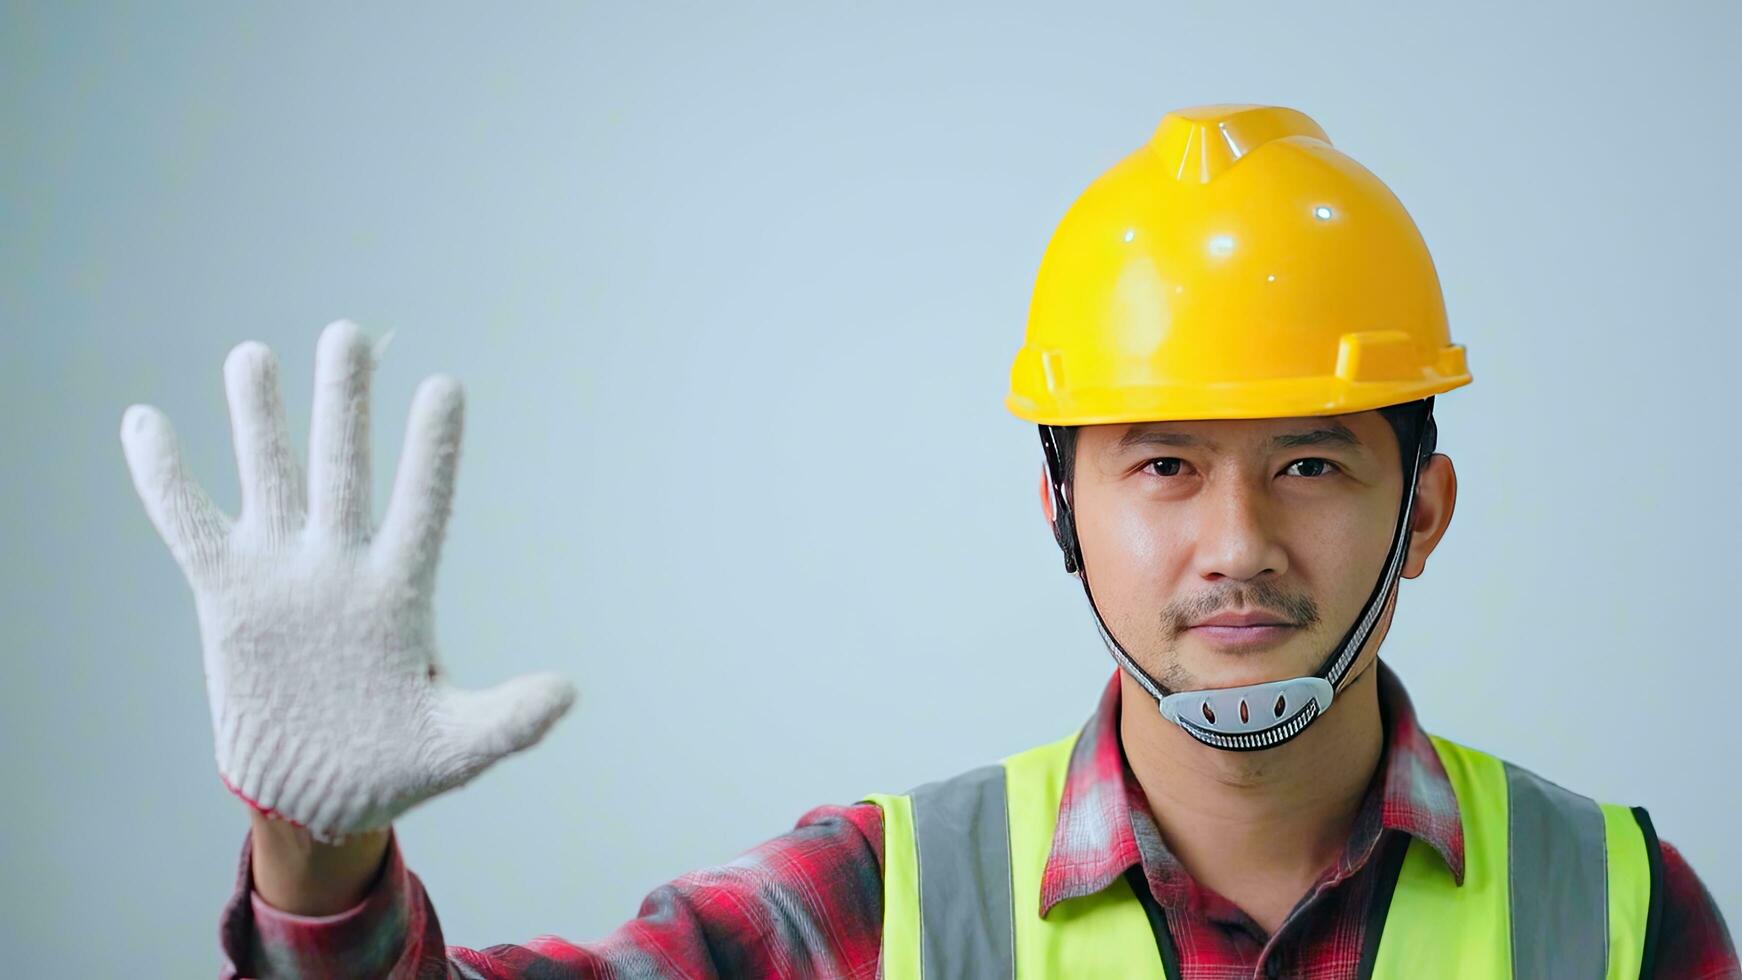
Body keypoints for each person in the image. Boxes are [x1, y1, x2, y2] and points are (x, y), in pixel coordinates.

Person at [121, 105, 1736, 979]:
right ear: (1059, 514)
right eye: (1162, 464)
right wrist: (313, 860)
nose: (1233, 543)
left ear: (1422, 514)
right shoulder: (879, 900)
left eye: (1309, 462)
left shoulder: (1615, 909)